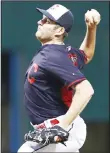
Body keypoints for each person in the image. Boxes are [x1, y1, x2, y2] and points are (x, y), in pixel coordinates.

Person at [18, 4, 101, 153]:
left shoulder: (53, 56)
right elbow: (86, 54)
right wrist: (91, 28)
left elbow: (86, 90)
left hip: (60, 129)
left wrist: (61, 127)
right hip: (61, 129)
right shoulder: (63, 53)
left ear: (60, 30)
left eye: (47, 21)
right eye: (42, 19)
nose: (40, 22)